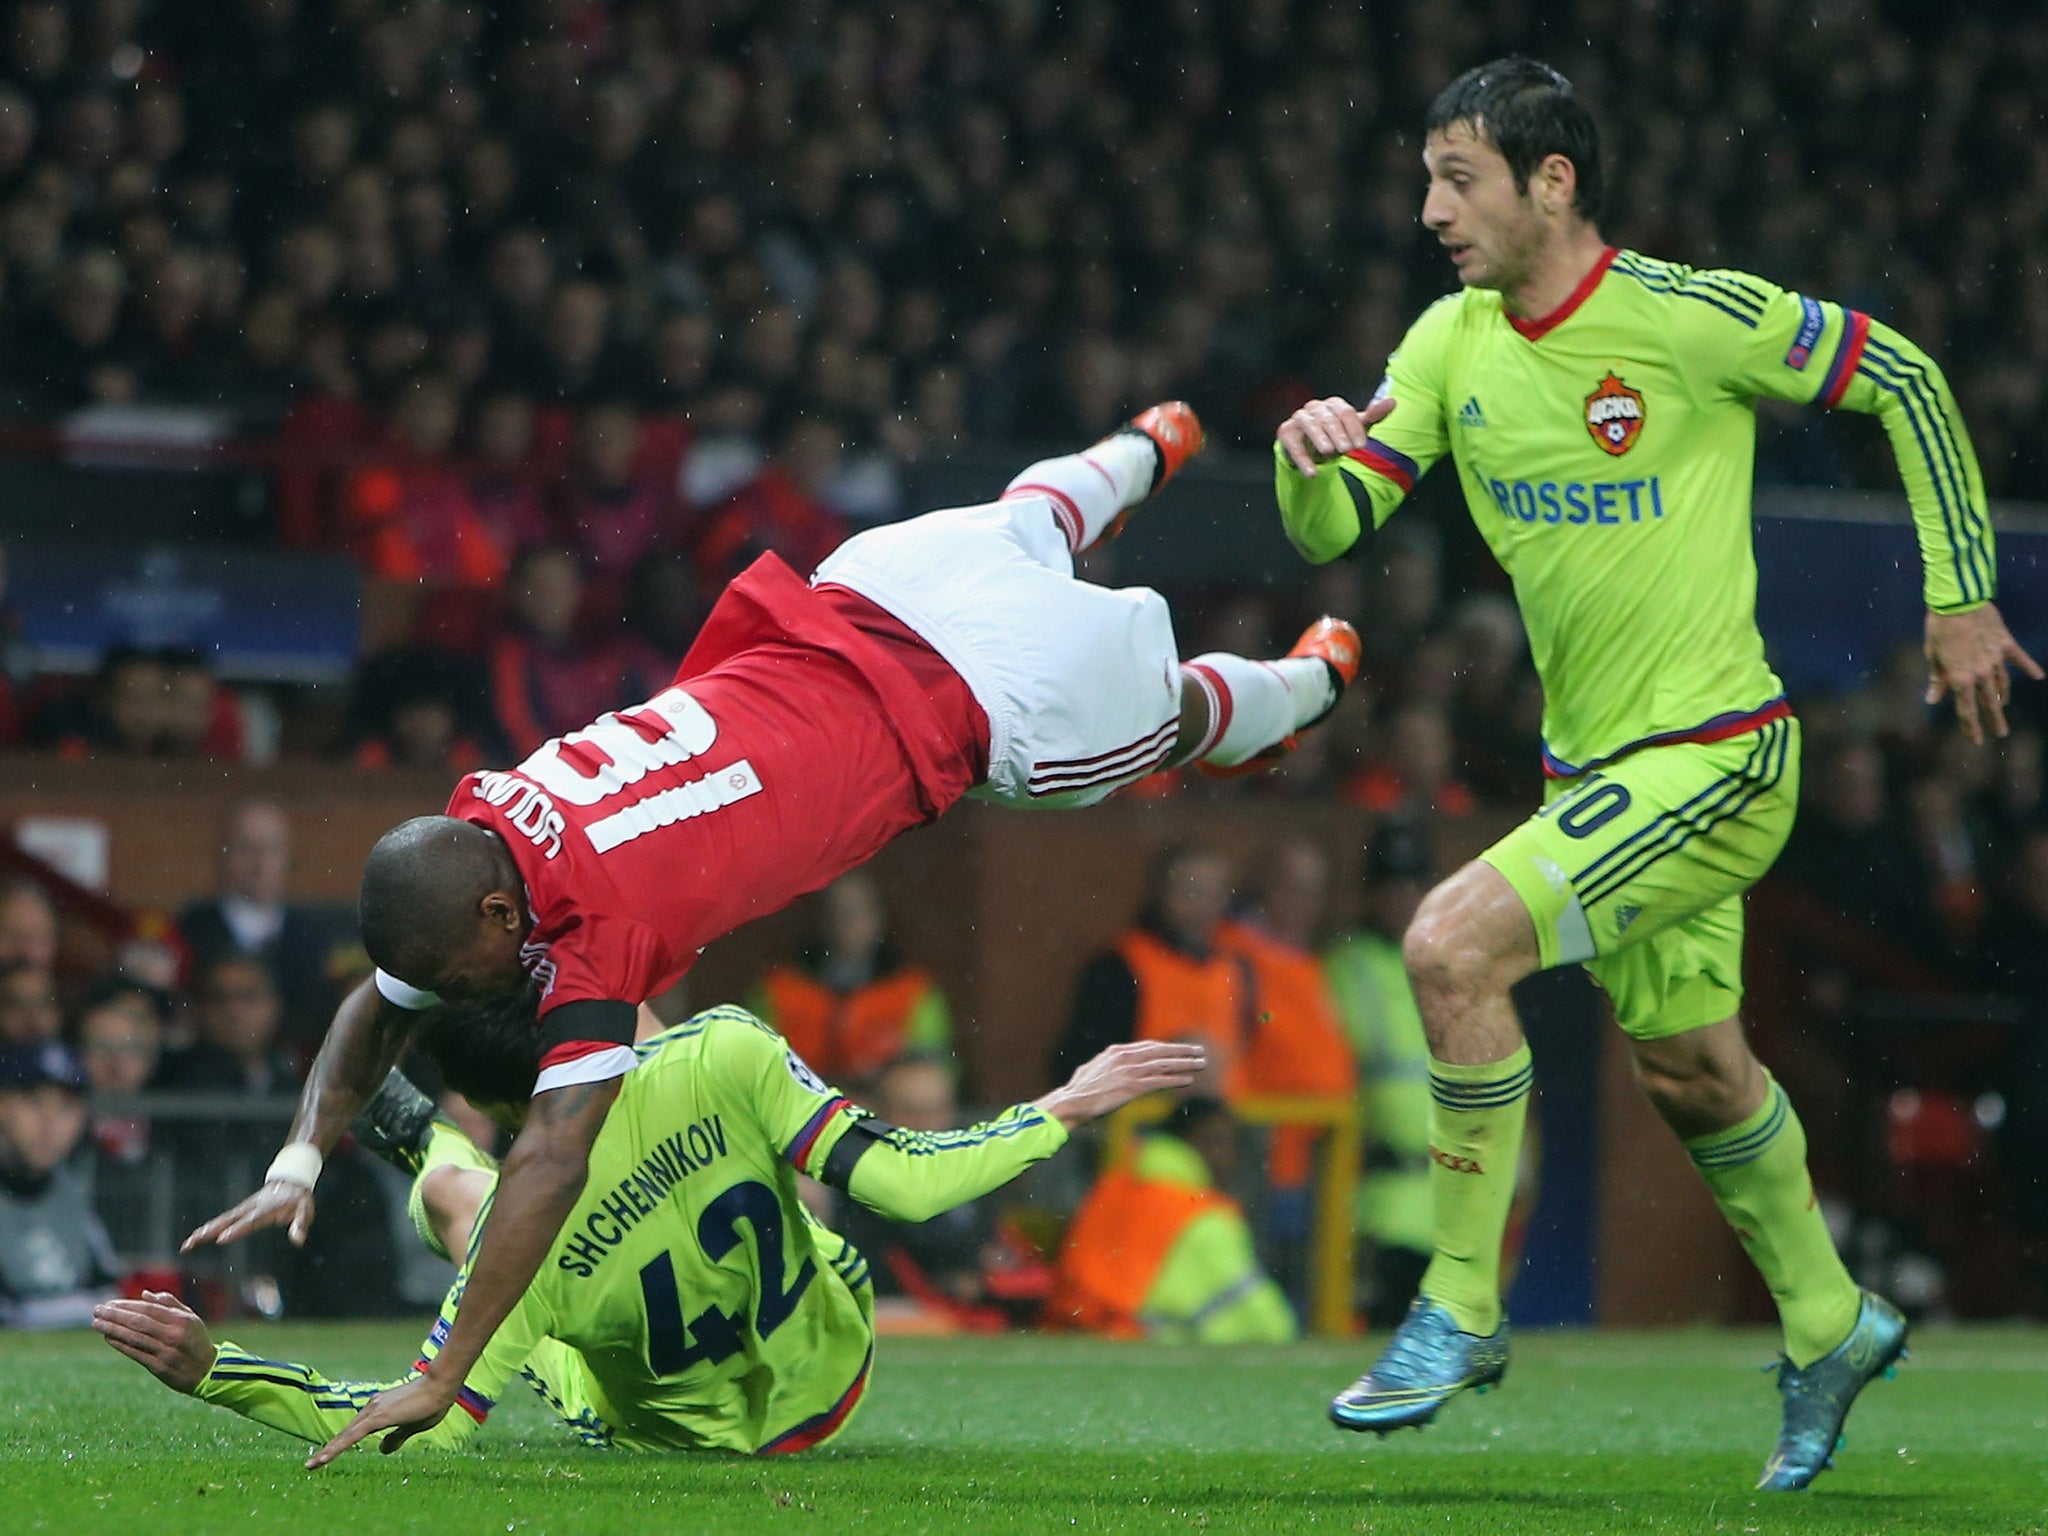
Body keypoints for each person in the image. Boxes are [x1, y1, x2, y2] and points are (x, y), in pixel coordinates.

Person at [184, 403, 1361, 1465]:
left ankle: (1301, 690)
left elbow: (546, 1161)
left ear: (499, 917)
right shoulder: (482, 814)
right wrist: (300, 1155)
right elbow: (385, 994)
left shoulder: (594, 939)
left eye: (463, 971)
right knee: (1029, 520)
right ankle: (1147, 447)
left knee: (1171, 727)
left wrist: (440, 1376)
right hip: (866, 591)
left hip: (981, 705)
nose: (470, 988)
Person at [1275, 57, 2040, 1490]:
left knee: (1447, 948)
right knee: (1691, 1069)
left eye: (1460, 177)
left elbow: (1910, 382)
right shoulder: (1447, 344)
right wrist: (1304, 457)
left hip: (1719, 759)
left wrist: (1960, 594)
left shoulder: (1689, 319)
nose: (1431, 207)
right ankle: (1830, 1322)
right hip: (1597, 783)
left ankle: (1460, 1301)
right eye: (1428, 177)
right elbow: (1338, 521)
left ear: (1551, 182)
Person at [100, 1005, 1202, 1453]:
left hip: (684, 1438)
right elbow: (907, 1187)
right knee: (717, 1097)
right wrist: (1058, 1108)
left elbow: (419, 1423)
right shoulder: (721, 1044)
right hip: (836, 1355)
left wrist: (219, 1370)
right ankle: (431, 1131)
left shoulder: (508, 1260)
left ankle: (428, 1139)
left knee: (460, 1204)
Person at [1045, 1096, 1296, 1344]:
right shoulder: (1206, 1216)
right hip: (1138, 1343)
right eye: (1219, 1142)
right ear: (1191, 1142)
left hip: (1066, 1334)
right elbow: (1263, 1324)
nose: (1228, 1157)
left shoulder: (1110, 1187)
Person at [1321, 820, 1436, 1330]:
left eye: (1413, 885)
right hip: (1378, 1199)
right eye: (1392, 887)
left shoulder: (1446, 963)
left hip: (1450, 1202)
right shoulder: (1351, 965)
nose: (1403, 898)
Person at [1052, 843, 1249, 1095]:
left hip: (1225, 1122)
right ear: (1160, 894)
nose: (1202, 906)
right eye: (1190, 893)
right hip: (1143, 1124)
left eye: (1212, 894)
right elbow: (1082, 1062)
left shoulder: (1238, 967)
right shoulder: (1120, 966)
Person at [752, 871, 952, 1087]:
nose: (847, 924)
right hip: (799, 1110)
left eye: (858, 913)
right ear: (822, 920)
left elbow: (934, 1069)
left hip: (885, 1113)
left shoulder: (913, 990)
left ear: (878, 919)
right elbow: (754, 1064)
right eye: (837, 913)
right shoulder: (780, 988)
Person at [0, 1042, 119, 1330]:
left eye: (65, 1107)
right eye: (34, 1102)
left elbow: (110, 1293)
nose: (49, 1123)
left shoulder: (75, 1188)